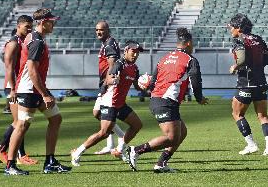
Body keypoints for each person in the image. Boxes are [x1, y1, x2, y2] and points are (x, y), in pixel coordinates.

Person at [126, 27, 208, 173]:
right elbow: (196, 83)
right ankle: (135, 150)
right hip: (165, 101)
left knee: (181, 133)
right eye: (193, 43)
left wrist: (145, 83)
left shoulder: (164, 58)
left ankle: (161, 164)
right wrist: (200, 98)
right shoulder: (190, 60)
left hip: (159, 100)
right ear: (188, 43)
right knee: (171, 137)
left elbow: (152, 84)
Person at [5, 8, 72, 175]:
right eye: (51, 20)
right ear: (43, 22)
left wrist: (44, 91)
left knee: (56, 119)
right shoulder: (37, 41)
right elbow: (32, 70)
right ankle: (10, 166)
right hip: (29, 89)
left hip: (35, 88)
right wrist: (45, 94)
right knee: (21, 125)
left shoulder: (35, 38)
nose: (54, 23)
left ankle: (50, 162)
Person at [71, 40, 144, 166]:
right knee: (104, 133)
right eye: (133, 51)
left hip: (120, 104)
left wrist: (146, 85)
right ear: (126, 51)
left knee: (137, 125)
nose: (136, 54)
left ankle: (119, 150)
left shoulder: (135, 68)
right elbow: (109, 79)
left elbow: (137, 87)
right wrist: (115, 80)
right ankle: (77, 152)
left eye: (138, 52)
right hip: (110, 102)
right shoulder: (119, 64)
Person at [228, 13, 268, 156]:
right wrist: (257, 67)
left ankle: (251, 144)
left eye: (231, 27)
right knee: (263, 115)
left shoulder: (238, 41)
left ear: (238, 28)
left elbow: (241, 60)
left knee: (237, 113)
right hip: (261, 82)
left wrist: (235, 67)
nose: (230, 30)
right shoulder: (258, 39)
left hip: (246, 83)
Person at [0, 17, 38, 166]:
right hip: (13, 87)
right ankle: (9, 152)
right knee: (19, 122)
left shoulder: (23, 42)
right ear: (18, 26)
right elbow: (9, 68)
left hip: (18, 86)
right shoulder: (13, 43)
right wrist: (12, 89)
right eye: (27, 26)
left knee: (20, 121)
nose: (29, 29)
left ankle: (9, 152)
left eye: (31, 27)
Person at [92, 21, 125, 156]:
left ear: (107, 30)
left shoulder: (110, 44)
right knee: (103, 114)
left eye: (101, 30)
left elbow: (112, 66)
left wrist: (106, 84)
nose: (98, 32)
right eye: (97, 30)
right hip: (104, 83)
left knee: (98, 113)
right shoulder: (106, 43)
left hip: (107, 84)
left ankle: (122, 137)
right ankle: (110, 145)